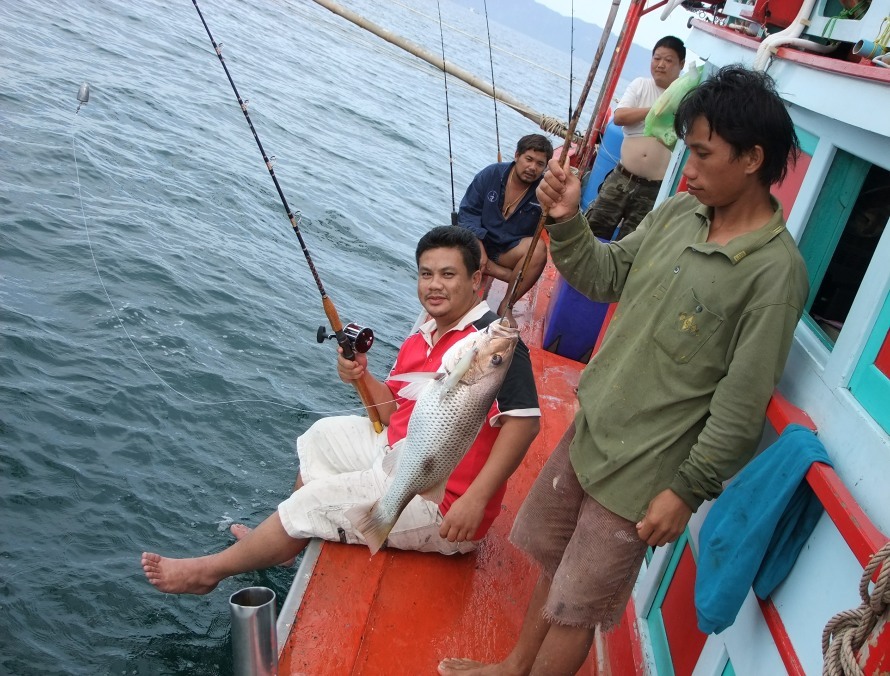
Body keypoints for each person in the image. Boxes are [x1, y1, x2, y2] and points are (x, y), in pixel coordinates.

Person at [438, 65, 809, 675]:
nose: (685, 169)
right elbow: (604, 275)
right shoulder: (678, 214)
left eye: (702, 153)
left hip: (645, 473)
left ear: (752, 159)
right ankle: (511, 668)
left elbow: (740, 409)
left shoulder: (775, 274)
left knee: (578, 607)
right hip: (590, 434)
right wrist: (565, 218)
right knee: (554, 568)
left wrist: (685, 491)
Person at [142, 226, 541, 595]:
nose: (434, 285)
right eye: (425, 274)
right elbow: (391, 412)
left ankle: (208, 572)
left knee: (311, 502)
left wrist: (476, 498)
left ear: (476, 280)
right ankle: (284, 546)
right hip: (401, 453)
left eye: (448, 275)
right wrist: (361, 376)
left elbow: (524, 425)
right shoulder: (424, 335)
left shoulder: (496, 345)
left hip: (446, 504)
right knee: (321, 437)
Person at [585, 35, 685, 241]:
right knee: (592, 231)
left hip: (654, 189)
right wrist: (655, 111)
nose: (661, 65)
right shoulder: (641, 85)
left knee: (632, 244)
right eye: (657, 58)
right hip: (622, 177)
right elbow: (620, 117)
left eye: (668, 60)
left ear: (681, 64)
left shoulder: (685, 98)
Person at [458, 134, 554, 316]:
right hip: (477, 242)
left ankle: (506, 306)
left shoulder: (543, 192)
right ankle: (499, 273)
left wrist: (557, 201)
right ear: (517, 155)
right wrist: (479, 247)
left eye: (540, 164)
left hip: (506, 252)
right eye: (528, 159)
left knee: (539, 249)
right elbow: (467, 212)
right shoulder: (491, 174)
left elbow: (558, 231)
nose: (532, 167)